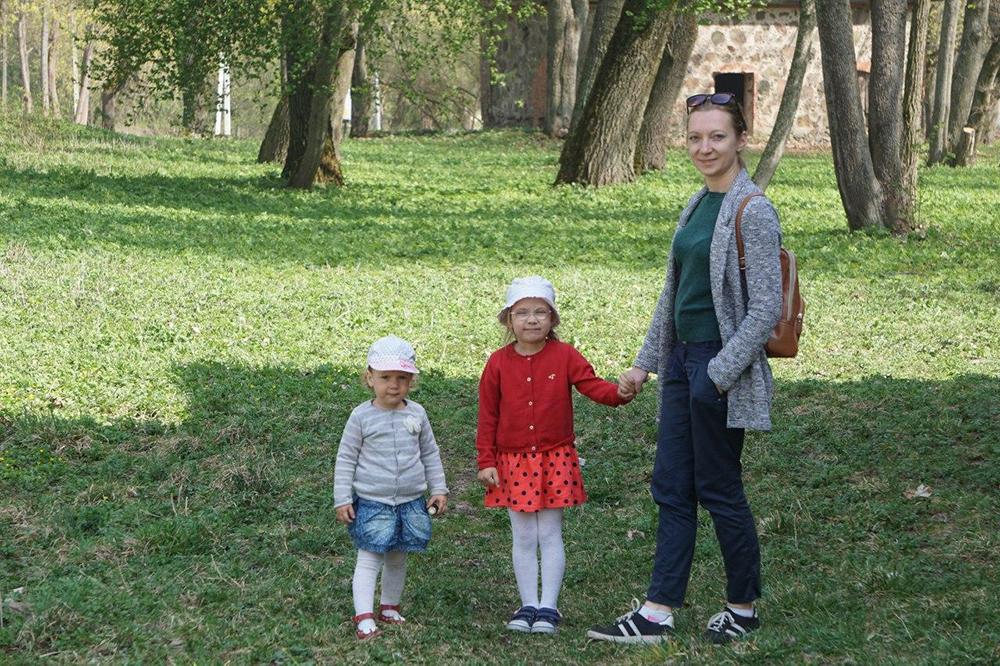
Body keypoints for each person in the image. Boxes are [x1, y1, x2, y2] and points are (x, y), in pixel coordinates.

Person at [587, 92, 784, 645]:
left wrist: (717, 374)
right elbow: (673, 294)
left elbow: (766, 307)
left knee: (719, 488)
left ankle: (742, 608)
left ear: (740, 140)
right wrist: (645, 363)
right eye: (695, 137)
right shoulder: (698, 203)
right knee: (672, 487)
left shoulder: (753, 210)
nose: (704, 147)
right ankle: (657, 612)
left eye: (717, 136)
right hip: (680, 363)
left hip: (718, 366)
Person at [476, 276, 633, 634]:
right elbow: (487, 416)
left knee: (549, 533)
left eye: (540, 312)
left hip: (554, 459)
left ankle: (548, 607)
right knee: (522, 536)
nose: (531, 320)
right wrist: (486, 460)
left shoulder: (565, 355)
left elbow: (593, 385)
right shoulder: (497, 363)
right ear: (508, 320)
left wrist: (620, 394)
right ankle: (527, 604)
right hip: (512, 461)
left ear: (552, 319)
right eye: (522, 313)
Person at [334, 335, 449, 640]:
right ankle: (363, 615)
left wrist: (439, 488)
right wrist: (342, 498)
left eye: (402, 378)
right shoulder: (361, 417)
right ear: (370, 378)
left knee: (398, 556)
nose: (394, 386)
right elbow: (346, 458)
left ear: (411, 381)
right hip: (373, 502)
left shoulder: (417, 413)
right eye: (385, 378)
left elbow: (430, 453)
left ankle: (389, 606)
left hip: (410, 501)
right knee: (370, 556)